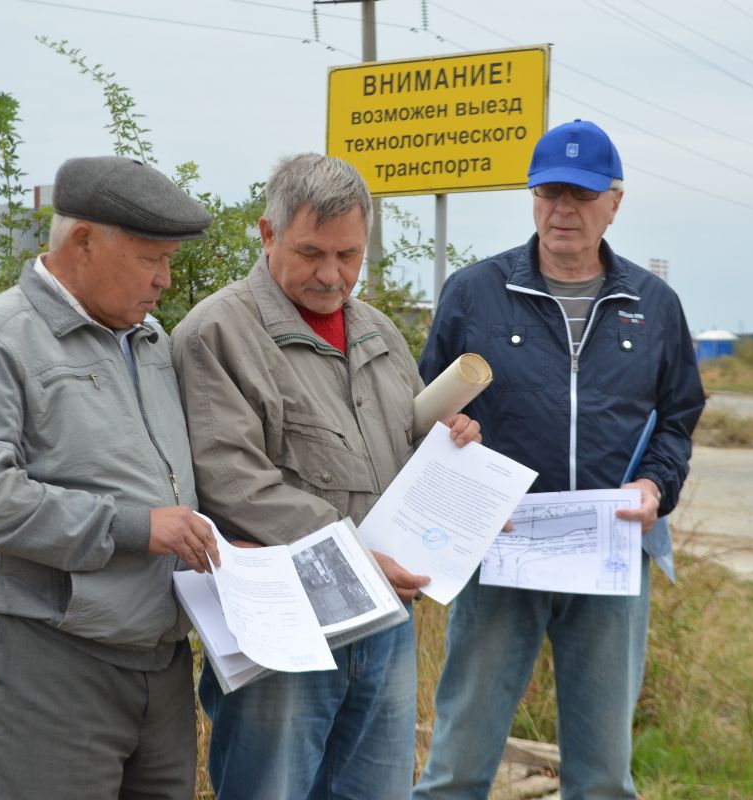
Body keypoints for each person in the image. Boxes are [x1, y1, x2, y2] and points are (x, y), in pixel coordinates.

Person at [171, 153, 480, 800]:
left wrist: (453, 450)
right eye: (312, 253)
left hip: (384, 621)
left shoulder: (380, 333)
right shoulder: (216, 333)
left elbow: (406, 445)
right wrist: (360, 556)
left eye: (349, 255)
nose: (333, 275)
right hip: (283, 629)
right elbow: (236, 485)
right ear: (267, 233)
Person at [412, 119, 706, 800]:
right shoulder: (475, 292)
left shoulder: (654, 306)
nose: (562, 210)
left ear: (615, 201)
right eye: (548, 192)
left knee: (603, 774)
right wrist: (449, 431)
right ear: (532, 196)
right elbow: (425, 412)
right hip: (501, 549)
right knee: (457, 763)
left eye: (580, 195)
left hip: (609, 555)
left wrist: (656, 486)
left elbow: (679, 417)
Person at [0, 156, 222, 800]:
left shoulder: (147, 339)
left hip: (160, 662)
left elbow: (169, 482)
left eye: (171, 261)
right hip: (51, 660)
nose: (166, 281)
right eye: (152, 260)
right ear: (84, 241)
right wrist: (134, 528)